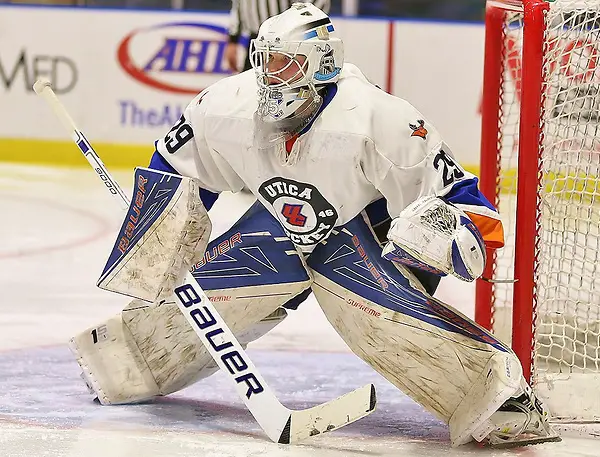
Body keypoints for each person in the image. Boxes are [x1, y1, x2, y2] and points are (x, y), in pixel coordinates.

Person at [70, 3, 560, 448]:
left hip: (364, 239)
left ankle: (500, 398)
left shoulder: (380, 118)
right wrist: (161, 233)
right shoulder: (229, 105)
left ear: (322, 64)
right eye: (265, 62)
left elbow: (470, 206)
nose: (270, 78)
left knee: (376, 316)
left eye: (286, 64)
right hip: (283, 225)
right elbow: (176, 166)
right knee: (216, 291)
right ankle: (128, 358)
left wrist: (436, 240)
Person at [225, 0, 330, 72]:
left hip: (289, 44)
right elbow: (238, 5)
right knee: (250, 92)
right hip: (257, 40)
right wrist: (233, 39)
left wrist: (301, 31)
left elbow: (313, 6)